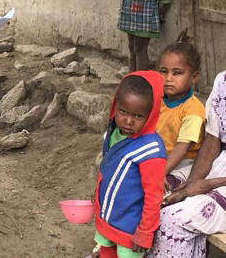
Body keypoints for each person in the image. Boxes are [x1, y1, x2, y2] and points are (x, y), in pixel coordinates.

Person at [148, 70, 226, 257]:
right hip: (218, 164)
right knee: (150, 192)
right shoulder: (223, 81)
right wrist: (191, 184)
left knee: (172, 219)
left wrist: (208, 184)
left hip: (220, 180)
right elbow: (212, 141)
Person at [92, 71, 167, 258]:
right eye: (123, 112)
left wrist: (145, 231)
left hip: (130, 227)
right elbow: (107, 171)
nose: (128, 121)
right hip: (109, 217)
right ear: (115, 107)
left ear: (150, 116)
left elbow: (153, 195)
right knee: (106, 251)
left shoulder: (151, 151)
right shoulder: (113, 134)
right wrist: (97, 198)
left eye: (138, 116)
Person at [156, 41, 205, 176]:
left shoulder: (193, 110)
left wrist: (160, 174)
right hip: (157, 157)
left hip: (183, 163)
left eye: (177, 73)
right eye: (164, 71)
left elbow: (182, 148)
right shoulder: (157, 99)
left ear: (194, 77)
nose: (169, 78)